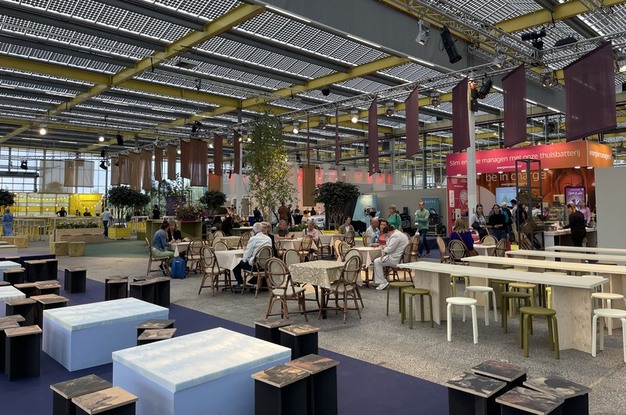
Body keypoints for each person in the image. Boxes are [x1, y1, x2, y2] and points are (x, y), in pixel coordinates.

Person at [232, 222, 271, 292]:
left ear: (253, 231)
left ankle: (240, 283)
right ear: (261, 229)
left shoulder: (253, 239)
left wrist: (244, 260)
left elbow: (247, 254)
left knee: (235, 264)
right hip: (265, 266)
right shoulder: (268, 239)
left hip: (255, 266)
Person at [372, 225, 409, 291]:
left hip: (395, 259)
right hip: (400, 257)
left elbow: (389, 250)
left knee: (376, 261)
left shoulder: (395, 236)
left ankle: (382, 282)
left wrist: (384, 248)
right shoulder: (400, 234)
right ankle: (381, 280)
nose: (387, 236)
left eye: (387, 235)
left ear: (389, 232)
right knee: (379, 260)